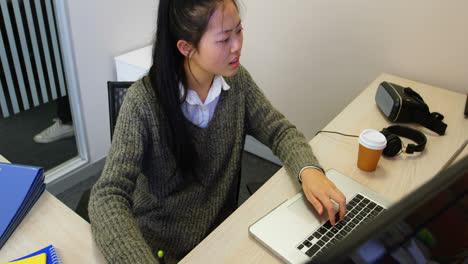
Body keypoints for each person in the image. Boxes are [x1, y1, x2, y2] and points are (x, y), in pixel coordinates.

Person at [88, 0, 347, 263]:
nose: (237, 46)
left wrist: (309, 171)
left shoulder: (237, 83)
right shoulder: (142, 103)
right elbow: (107, 195)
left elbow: (279, 131)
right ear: (186, 47)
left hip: (222, 240)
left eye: (239, 30)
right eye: (224, 39)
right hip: (159, 250)